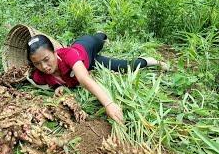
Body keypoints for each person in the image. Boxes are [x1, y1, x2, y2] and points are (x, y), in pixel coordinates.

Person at [27, 33, 169, 124]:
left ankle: (102, 35)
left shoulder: (68, 55)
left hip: (84, 48)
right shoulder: (39, 76)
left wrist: (109, 104)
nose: (44, 66)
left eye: (46, 59)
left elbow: (83, 78)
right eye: (37, 63)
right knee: (126, 66)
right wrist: (58, 87)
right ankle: (148, 61)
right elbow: (44, 82)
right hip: (92, 64)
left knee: (98, 40)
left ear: (54, 51)